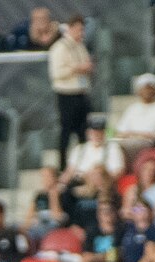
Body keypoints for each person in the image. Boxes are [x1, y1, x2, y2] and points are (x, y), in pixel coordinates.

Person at [48, 15, 94, 163]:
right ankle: (63, 163)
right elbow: (56, 73)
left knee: (83, 130)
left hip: (81, 91)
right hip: (66, 94)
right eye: (79, 29)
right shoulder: (59, 48)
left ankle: (83, 161)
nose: (81, 33)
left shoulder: (80, 46)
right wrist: (77, 68)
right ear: (71, 28)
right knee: (66, 130)